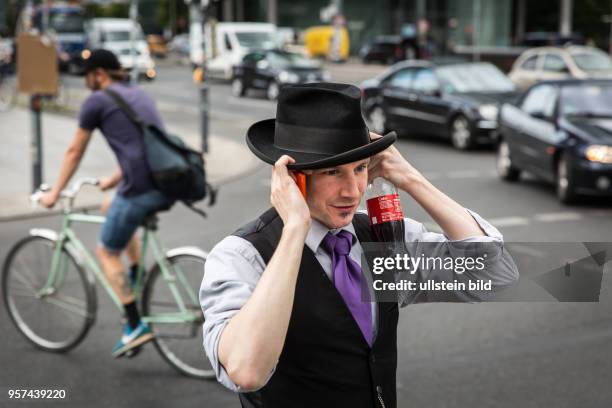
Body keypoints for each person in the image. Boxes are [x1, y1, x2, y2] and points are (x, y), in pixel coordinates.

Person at [200, 83, 519, 408]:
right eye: (333, 172)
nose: (353, 191)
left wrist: (411, 179)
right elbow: (246, 371)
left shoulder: (383, 239)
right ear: (291, 178)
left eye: (361, 168)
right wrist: (295, 229)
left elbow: (494, 276)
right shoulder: (243, 256)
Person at [40, 49, 173, 358]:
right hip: (166, 181)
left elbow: (74, 151)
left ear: (98, 73)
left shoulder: (97, 101)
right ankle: (137, 277)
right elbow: (144, 145)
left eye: (87, 75)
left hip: (141, 187)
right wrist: (113, 180)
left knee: (106, 250)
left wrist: (53, 193)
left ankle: (135, 324)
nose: (86, 81)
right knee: (109, 206)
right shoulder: (137, 94)